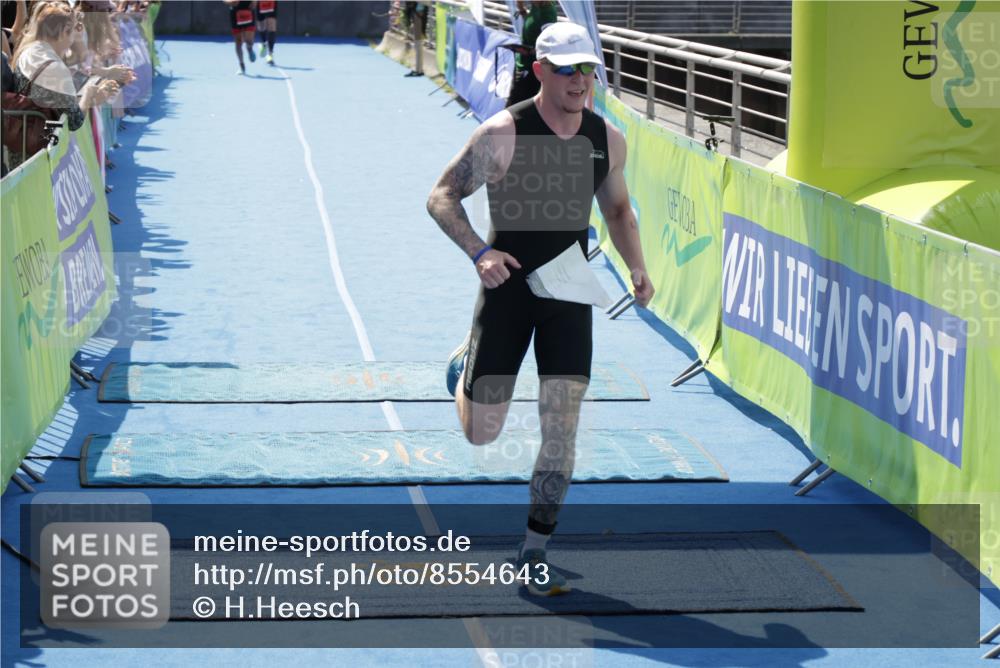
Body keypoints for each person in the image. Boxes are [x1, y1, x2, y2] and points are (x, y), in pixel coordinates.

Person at [426, 22, 653, 596]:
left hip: (569, 292)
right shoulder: (502, 134)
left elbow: (620, 211)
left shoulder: (607, 139)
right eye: (568, 69)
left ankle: (535, 546)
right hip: (508, 290)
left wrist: (638, 267)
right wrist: (479, 252)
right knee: (482, 433)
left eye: (589, 69)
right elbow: (441, 196)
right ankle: (466, 365)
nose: (581, 81)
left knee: (562, 424)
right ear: (541, 71)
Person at [506, 0, 557, 107]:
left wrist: (529, 51)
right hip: (523, 64)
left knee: (517, 106)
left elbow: (549, 45)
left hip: (532, 69)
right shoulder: (536, 6)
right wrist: (522, 10)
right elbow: (533, 26)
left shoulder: (547, 14)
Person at [224, 0, 255, 75]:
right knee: (238, 42)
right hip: (235, 13)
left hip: (247, 9)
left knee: (249, 40)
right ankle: (242, 66)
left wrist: (254, 2)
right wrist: (229, 2)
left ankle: (249, 48)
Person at [402, 1, 426, 77]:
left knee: (417, 41)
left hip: (418, 10)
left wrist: (419, 9)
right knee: (416, 41)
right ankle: (417, 69)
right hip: (414, 9)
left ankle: (418, 70)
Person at [254, 0, 276, 64]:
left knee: (271, 27)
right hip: (260, 2)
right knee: (261, 26)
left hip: (271, 2)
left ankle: (270, 54)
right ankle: (264, 43)